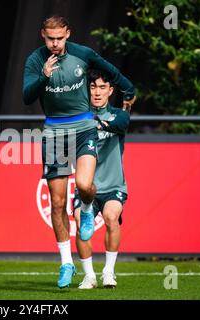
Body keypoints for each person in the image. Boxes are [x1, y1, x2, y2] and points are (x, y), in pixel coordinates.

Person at [23, 15, 136, 288]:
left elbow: (109, 69)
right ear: (43, 35)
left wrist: (128, 88)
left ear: (68, 34)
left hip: (83, 128)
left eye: (60, 38)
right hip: (54, 133)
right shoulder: (36, 61)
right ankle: (66, 263)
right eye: (50, 38)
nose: (55, 43)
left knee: (85, 185)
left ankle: (87, 209)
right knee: (58, 201)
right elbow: (27, 96)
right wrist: (43, 78)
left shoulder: (83, 54)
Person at [73, 69, 130, 289]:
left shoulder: (119, 115)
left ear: (110, 90)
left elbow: (121, 125)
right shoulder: (78, 115)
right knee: (80, 223)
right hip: (87, 186)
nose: (97, 92)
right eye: (93, 87)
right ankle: (89, 276)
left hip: (114, 185)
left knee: (110, 217)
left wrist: (97, 124)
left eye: (102, 87)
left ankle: (108, 272)